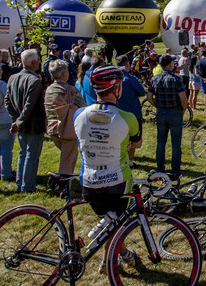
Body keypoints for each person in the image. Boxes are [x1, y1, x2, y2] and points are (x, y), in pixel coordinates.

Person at [75, 65, 143, 271]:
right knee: (116, 224)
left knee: (109, 223)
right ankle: (110, 260)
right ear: (116, 89)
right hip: (117, 182)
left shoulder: (79, 114)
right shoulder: (127, 117)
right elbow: (137, 143)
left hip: (89, 181)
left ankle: (119, 255)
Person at [6, 48, 47, 193]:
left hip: (20, 122)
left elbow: (7, 101)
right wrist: (18, 121)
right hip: (33, 124)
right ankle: (27, 186)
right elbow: (30, 105)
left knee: (23, 153)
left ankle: (21, 183)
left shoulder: (12, 78)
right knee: (31, 155)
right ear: (35, 62)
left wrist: (16, 120)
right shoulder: (34, 80)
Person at [44, 59, 86, 187]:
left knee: (65, 158)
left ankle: (62, 184)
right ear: (63, 74)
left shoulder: (49, 89)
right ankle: (64, 188)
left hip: (53, 128)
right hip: (67, 130)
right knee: (68, 162)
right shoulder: (70, 90)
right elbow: (84, 107)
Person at [146, 54, 188, 179]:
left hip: (161, 112)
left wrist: (156, 105)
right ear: (170, 65)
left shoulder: (155, 78)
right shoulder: (176, 79)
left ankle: (160, 168)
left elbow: (149, 97)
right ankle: (175, 170)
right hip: (175, 112)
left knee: (161, 142)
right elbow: (183, 97)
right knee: (175, 143)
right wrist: (183, 109)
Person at [114, 54, 147, 159]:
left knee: (119, 137)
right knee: (133, 138)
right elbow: (142, 92)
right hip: (133, 113)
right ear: (127, 65)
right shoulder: (130, 79)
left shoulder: (113, 78)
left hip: (117, 112)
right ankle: (130, 160)